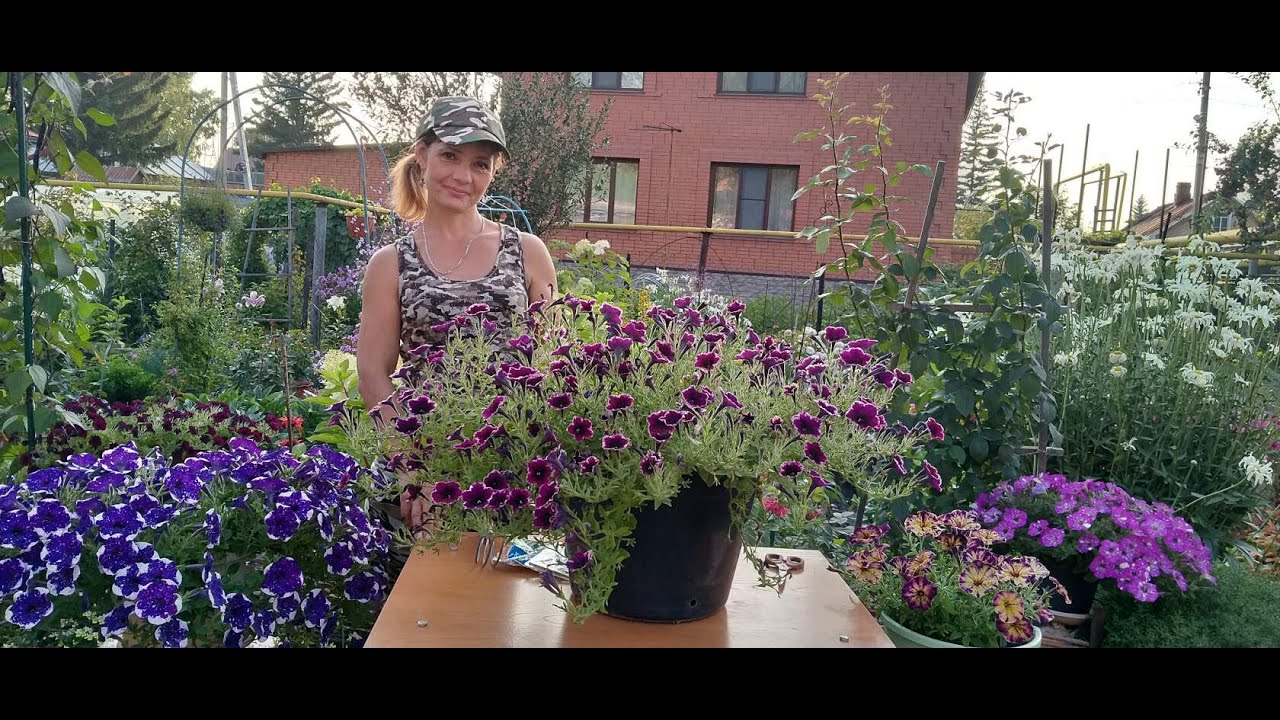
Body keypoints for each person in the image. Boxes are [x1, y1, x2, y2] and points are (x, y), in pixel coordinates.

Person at [356, 97, 557, 547]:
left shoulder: (528, 252)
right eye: (450, 156)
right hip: (432, 469)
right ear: (422, 155)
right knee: (430, 603)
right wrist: (412, 465)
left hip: (516, 464)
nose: (463, 176)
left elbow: (551, 362)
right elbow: (373, 372)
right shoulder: (391, 263)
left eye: (480, 164)